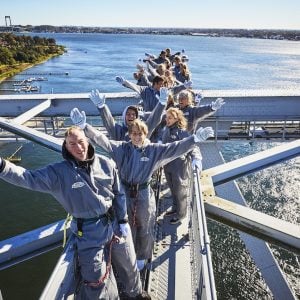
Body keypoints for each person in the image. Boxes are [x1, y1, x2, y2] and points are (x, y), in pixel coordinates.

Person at [0, 127, 149, 299]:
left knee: (128, 262)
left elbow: (119, 193)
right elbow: (28, 177)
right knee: (96, 279)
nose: (78, 148)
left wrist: (122, 220)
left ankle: (136, 293)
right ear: (66, 146)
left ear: (87, 141)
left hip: (114, 222)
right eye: (72, 144)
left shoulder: (106, 164)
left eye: (81, 142)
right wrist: (3, 166)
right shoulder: (58, 173)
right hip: (88, 232)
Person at [70, 107, 214, 271]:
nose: (137, 137)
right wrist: (85, 126)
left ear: (146, 134)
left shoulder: (153, 150)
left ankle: (142, 256)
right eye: (134, 134)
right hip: (123, 193)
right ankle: (127, 254)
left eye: (141, 134)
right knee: (125, 226)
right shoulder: (122, 148)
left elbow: (176, 147)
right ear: (130, 135)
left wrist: (194, 139)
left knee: (145, 226)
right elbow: (102, 140)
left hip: (144, 194)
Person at [161, 107, 202, 224]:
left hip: (179, 167)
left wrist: (196, 158)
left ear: (176, 118)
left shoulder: (182, 132)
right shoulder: (166, 130)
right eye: (166, 117)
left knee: (180, 192)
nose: (167, 120)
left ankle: (181, 214)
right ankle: (175, 209)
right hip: (167, 165)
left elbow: (192, 145)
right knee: (173, 190)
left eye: (170, 118)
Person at [89, 89, 167, 142]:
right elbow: (108, 122)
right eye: (128, 114)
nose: (131, 116)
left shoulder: (143, 129)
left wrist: (161, 104)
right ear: (124, 117)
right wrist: (102, 107)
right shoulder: (118, 131)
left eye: (134, 114)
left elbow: (154, 119)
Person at [115, 75, 193, 112]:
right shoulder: (145, 90)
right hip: (148, 117)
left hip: (161, 118)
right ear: (155, 83)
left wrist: (184, 86)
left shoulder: (164, 91)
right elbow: (134, 86)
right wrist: (124, 82)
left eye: (163, 84)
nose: (163, 86)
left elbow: (174, 90)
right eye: (161, 84)